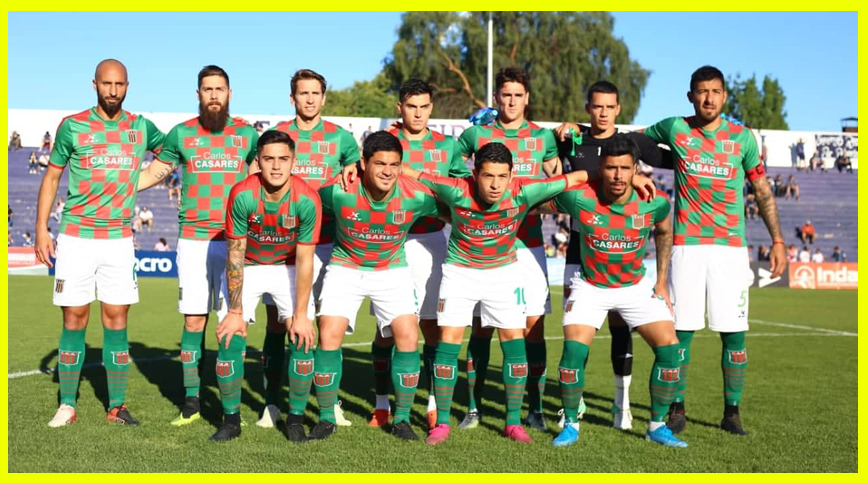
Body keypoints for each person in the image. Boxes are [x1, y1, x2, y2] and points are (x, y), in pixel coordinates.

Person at [402, 142, 651, 445]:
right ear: (474, 174)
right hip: (459, 272)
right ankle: (442, 422)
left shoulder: (524, 190)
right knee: (449, 341)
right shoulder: (455, 188)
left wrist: (632, 178)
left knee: (514, 342)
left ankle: (512, 422)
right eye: (488, 176)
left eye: (502, 176)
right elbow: (408, 173)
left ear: (512, 175)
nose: (495, 185)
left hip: (504, 273)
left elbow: (575, 178)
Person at [642, 65, 786, 437]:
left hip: (730, 250)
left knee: (734, 335)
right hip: (686, 247)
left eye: (715, 91)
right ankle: (677, 408)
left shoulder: (742, 138)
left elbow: (762, 191)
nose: (709, 98)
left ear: (724, 96)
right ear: (690, 96)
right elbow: (634, 143)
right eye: (702, 91)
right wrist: (640, 172)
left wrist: (778, 241)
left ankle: (731, 413)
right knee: (681, 332)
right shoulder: (676, 128)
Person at [35, 59, 165, 428]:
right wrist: (42, 228)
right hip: (75, 237)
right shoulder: (72, 126)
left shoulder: (141, 127)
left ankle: (117, 406)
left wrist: (142, 180)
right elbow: (52, 177)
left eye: (119, 84)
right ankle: (67, 405)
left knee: (117, 318)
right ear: (94, 84)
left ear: (128, 86)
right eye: (107, 84)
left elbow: (171, 153)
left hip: (119, 239)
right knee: (74, 317)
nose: (113, 91)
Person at [544, 134, 685, 448]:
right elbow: (536, 196)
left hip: (635, 287)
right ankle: (571, 423)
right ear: (600, 168)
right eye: (610, 168)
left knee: (670, 349)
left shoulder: (655, 201)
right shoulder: (580, 198)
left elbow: (664, 232)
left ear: (636, 169)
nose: (618, 175)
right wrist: (582, 176)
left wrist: (662, 281)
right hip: (590, 286)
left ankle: (656, 425)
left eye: (625, 168)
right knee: (573, 352)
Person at [138, 65, 259, 426]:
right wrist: (111, 185)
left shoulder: (247, 135)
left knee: (232, 322)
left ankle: (229, 406)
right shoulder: (182, 134)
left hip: (235, 241)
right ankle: (192, 400)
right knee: (193, 321)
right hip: (192, 240)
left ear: (230, 93)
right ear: (198, 94)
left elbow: (263, 178)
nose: (214, 95)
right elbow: (153, 173)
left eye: (220, 89)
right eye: (208, 89)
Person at [307, 131, 440, 442]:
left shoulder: (415, 196)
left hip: (391, 270)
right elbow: (302, 200)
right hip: (345, 267)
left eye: (394, 165)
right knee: (328, 333)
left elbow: (456, 205)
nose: (387, 172)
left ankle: (402, 419)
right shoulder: (339, 191)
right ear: (363, 163)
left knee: (408, 334)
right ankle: (326, 418)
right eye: (380, 164)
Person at [455, 67, 562, 431]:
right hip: (484, 246)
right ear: (496, 97)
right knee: (481, 328)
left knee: (533, 328)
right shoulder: (478, 134)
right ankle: (473, 409)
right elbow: (450, 165)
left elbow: (558, 183)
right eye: (506, 95)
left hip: (528, 245)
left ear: (527, 98)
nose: (512, 101)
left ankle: (535, 409)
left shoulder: (543, 138)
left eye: (518, 95)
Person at [363, 79, 472, 430]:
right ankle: (382, 404)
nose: (419, 113)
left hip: (432, 241)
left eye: (424, 106)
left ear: (431, 108)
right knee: (387, 330)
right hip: (389, 242)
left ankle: (433, 403)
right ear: (400, 108)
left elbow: (462, 189)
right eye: (412, 106)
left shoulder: (446, 146)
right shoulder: (385, 142)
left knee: (431, 326)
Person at [211, 130, 321, 442]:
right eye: (268, 159)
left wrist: (301, 314)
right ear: (257, 161)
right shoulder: (243, 194)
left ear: (294, 162)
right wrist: (235, 311)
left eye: (283, 159)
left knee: (302, 337)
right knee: (230, 336)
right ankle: (231, 420)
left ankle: (295, 419)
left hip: (289, 266)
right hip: (248, 265)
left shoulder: (307, 199)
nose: (276, 166)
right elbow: (235, 253)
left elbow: (305, 260)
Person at [264, 69, 359, 427]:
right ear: (292, 98)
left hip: (330, 242)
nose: (309, 99)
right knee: (278, 324)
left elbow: (354, 180)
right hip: (284, 246)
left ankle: (328, 403)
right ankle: (272, 402)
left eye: (315, 93)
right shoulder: (278, 135)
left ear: (323, 97)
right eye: (303, 93)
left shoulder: (341, 138)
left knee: (327, 324)